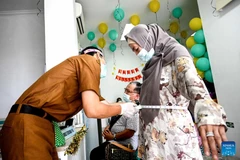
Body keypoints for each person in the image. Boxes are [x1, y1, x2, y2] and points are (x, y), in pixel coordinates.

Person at [0, 46, 138, 160]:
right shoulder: (89, 61)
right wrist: (122, 109)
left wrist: (128, 106)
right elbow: (93, 110)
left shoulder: (81, 81)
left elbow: (106, 105)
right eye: (104, 60)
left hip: (42, 124)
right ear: (97, 56)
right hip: (28, 124)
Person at [124, 24, 227, 160]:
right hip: (153, 135)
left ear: (147, 39)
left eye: (136, 49)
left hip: (174, 134)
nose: (137, 54)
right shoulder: (152, 65)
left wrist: (208, 113)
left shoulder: (176, 54)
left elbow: (193, 83)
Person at [90, 81, 141, 160]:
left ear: (137, 96)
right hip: (115, 141)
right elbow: (112, 112)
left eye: (128, 91)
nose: (125, 93)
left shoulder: (133, 110)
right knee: (96, 152)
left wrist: (113, 136)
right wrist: (109, 127)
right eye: (125, 90)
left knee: (96, 153)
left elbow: (130, 132)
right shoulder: (125, 105)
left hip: (125, 146)